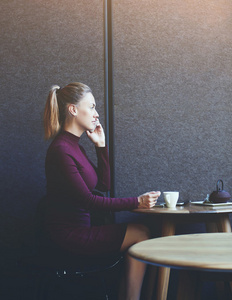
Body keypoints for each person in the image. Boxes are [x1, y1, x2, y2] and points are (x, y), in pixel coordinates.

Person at [43, 82, 160, 300]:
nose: (97, 114)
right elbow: (89, 201)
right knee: (142, 234)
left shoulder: (75, 146)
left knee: (142, 232)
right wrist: (137, 201)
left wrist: (100, 146)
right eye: (93, 107)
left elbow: (103, 186)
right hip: (70, 236)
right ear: (73, 110)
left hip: (81, 230)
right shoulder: (61, 150)